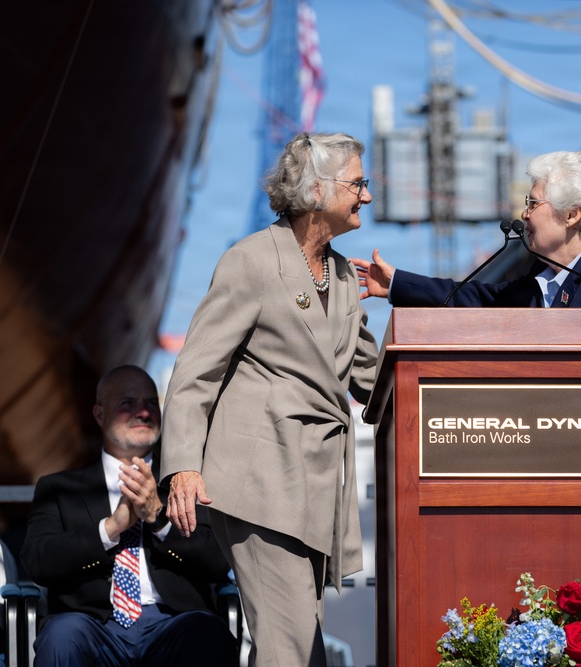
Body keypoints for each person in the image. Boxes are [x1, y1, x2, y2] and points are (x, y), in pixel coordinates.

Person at [161, 131, 379, 667]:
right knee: (290, 649)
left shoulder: (347, 275)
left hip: (317, 490)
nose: (367, 197)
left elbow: (374, 376)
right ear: (315, 191)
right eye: (358, 183)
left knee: (301, 649)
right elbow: (195, 370)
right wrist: (183, 464)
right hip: (261, 482)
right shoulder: (251, 261)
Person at [19, 365, 237, 667]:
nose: (143, 412)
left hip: (173, 623)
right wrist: (110, 529)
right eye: (128, 403)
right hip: (92, 625)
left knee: (207, 634)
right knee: (62, 636)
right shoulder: (58, 488)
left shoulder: (187, 483)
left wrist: (157, 518)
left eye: (151, 403)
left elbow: (218, 560)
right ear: (99, 414)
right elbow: (37, 562)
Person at [352, 150, 581, 308]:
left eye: (533, 204)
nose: (524, 214)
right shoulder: (540, 278)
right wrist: (396, 283)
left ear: (572, 215)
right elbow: (474, 299)